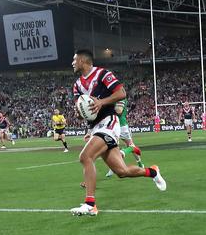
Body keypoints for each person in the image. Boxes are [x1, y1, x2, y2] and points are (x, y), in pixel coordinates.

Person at [70, 49, 166, 216]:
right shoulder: (77, 85)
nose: (72, 63)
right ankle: (153, 172)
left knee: (85, 157)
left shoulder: (102, 74)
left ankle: (90, 204)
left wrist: (101, 102)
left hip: (109, 123)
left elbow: (121, 93)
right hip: (96, 128)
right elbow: (83, 111)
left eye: (74, 59)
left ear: (83, 61)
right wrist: (84, 120)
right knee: (122, 172)